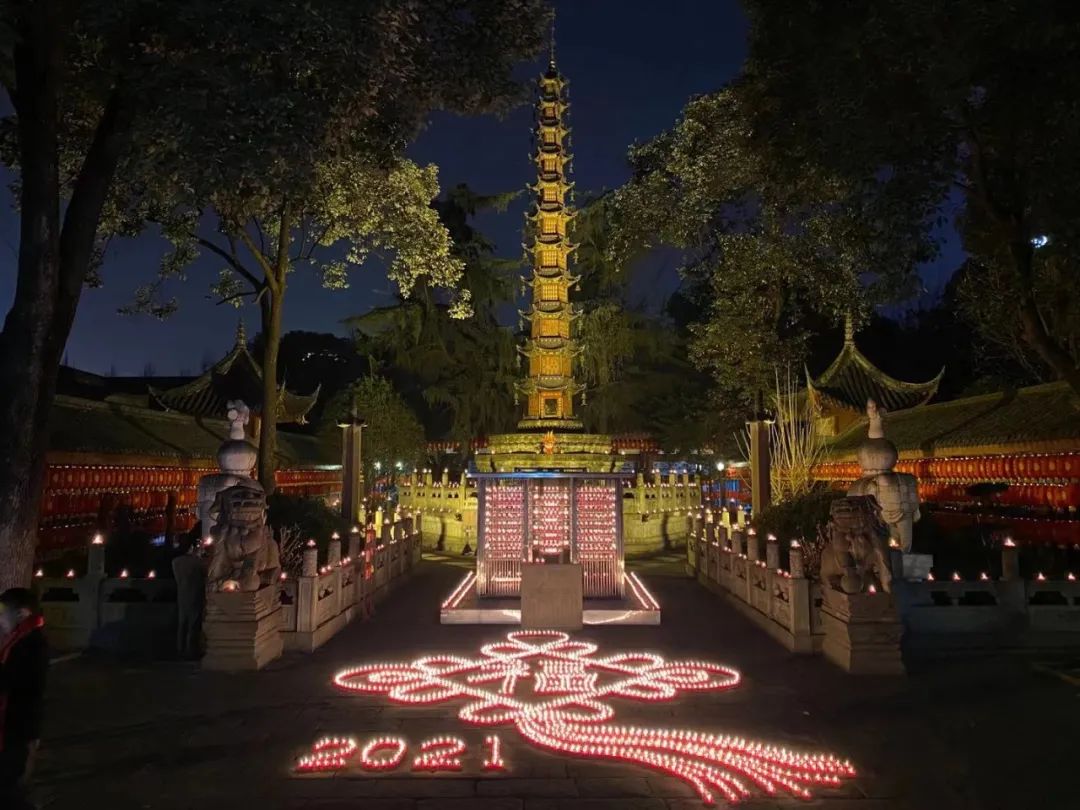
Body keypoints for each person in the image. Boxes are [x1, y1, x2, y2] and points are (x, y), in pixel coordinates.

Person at [0, 587, 48, 810]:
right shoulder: (21, 639)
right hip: (12, 724)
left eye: (2, 612)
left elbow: (15, 682)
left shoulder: (31, 643)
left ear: (21, 613)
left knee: (7, 786)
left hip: (17, 726)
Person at [172, 536, 207, 659]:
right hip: (195, 593)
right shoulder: (196, 562)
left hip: (181, 593)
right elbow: (206, 572)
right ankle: (190, 650)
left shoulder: (176, 561)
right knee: (193, 623)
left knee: (182, 623)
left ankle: (179, 648)